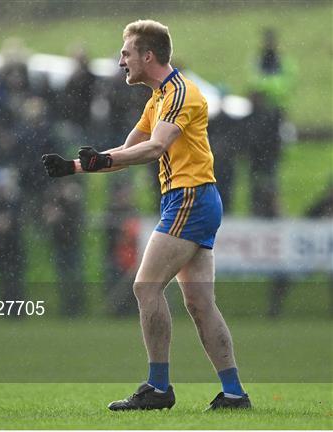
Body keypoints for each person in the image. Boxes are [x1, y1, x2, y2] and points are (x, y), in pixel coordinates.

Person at [42, 19, 251, 411]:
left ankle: (158, 389)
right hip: (193, 199)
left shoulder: (180, 94)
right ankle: (235, 394)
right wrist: (73, 166)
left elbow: (154, 149)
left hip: (189, 198)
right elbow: (124, 153)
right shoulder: (158, 98)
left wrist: (101, 160)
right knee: (200, 303)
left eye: (126, 53)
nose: (121, 60)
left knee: (145, 287)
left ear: (147, 55)